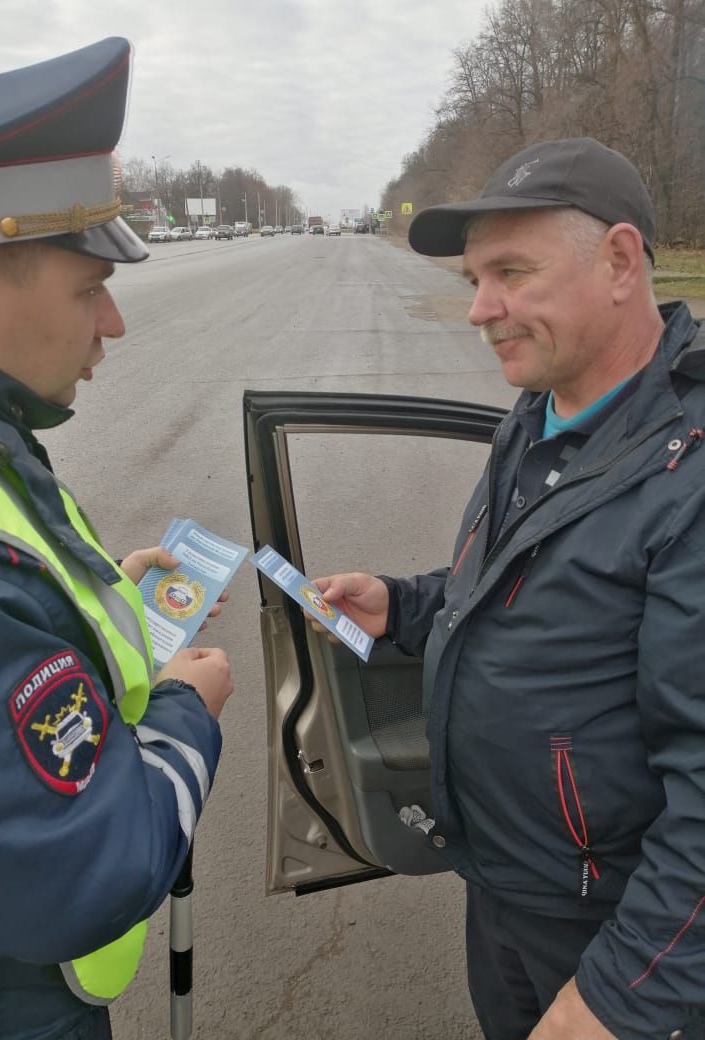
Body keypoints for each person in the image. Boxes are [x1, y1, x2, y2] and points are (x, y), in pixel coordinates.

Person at [314, 138, 705, 1039]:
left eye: (511, 274)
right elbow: (510, 588)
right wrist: (405, 604)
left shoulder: (688, 473)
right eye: (474, 279)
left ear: (617, 261)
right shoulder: (538, 411)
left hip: (615, 932)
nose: (480, 310)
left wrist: (620, 994)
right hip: (501, 888)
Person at [0, 39, 234, 1040]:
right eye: (87, 285)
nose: (113, 321)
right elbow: (90, 867)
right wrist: (188, 709)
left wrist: (105, 609)